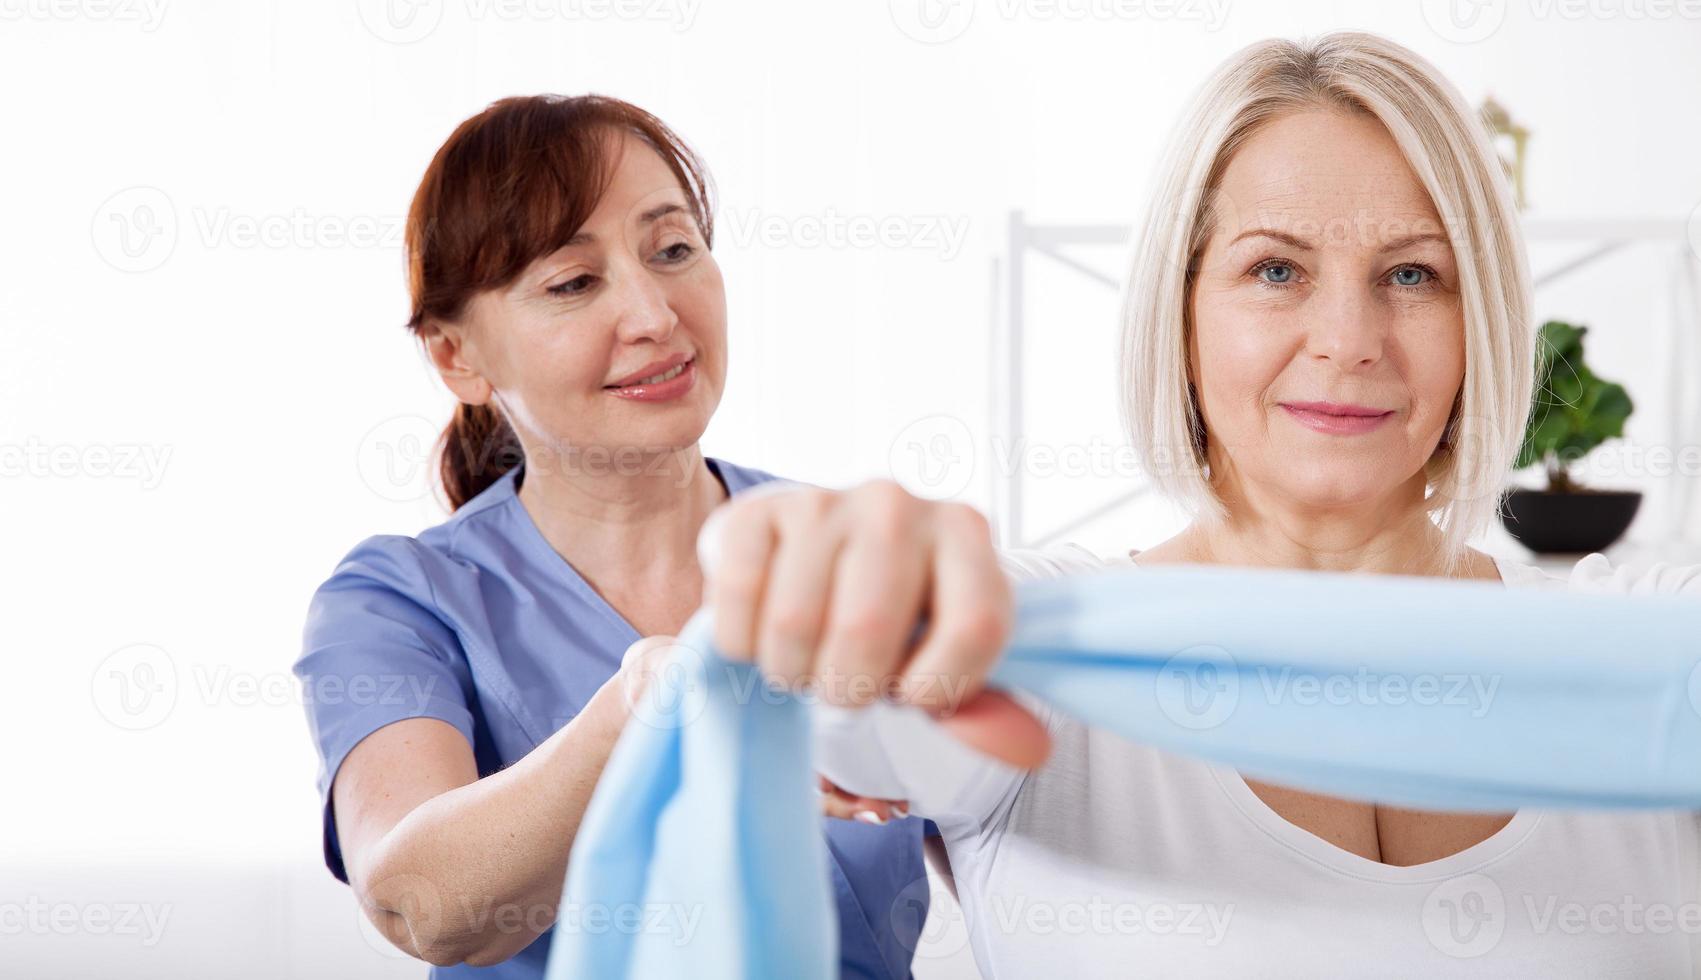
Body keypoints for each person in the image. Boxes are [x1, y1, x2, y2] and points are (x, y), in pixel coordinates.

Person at [700, 33, 1701, 977]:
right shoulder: (1040, 648)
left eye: (1412, 272)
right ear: (1179, 315)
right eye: (1276, 270)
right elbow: (849, 713)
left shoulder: (1642, 651)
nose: (1349, 337)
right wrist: (828, 592)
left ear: (1478, 320)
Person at [295, 94, 927, 979]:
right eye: (572, 283)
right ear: (455, 356)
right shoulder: (399, 600)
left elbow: (1021, 835)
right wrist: (648, 709)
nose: (654, 315)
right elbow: (422, 906)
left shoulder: (851, 551)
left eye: (673, 250)